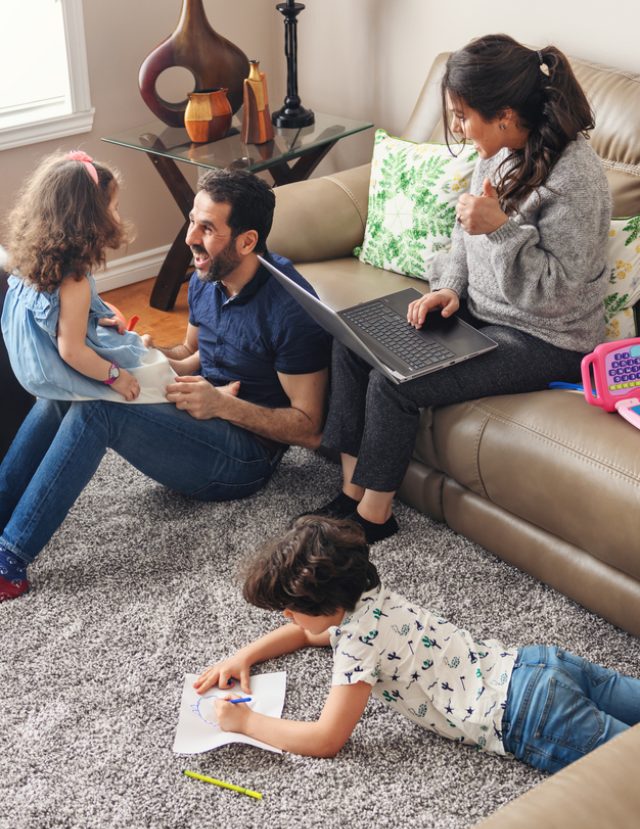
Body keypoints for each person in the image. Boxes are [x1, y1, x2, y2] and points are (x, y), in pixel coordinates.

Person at [305, 34, 611, 544]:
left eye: (463, 117)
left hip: (547, 338)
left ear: (505, 115)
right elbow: (463, 233)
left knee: (395, 383)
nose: (457, 129)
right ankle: (351, 492)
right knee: (354, 342)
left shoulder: (577, 179)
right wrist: (449, 287)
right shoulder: (497, 151)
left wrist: (502, 229)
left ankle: (373, 519)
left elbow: (558, 293)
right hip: (482, 311)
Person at [0, 168, 331, 602]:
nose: (190, 237)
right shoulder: (206, 277)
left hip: (246, 458)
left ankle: (10, 560)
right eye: (192, 220)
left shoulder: (292, 311)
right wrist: (139, 349)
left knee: (98, 409)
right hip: (200, 411)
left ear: (247, 241)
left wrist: (222, 406)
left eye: (207, 228)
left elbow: (310, 428)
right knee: (67, 391)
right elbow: (193, 354)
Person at [194, 516, 640, 772]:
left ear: (325, 603)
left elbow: (326, 738)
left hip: (528, 716)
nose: (287, 619)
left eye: (290, 610)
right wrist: (245, 654)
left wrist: (246, 722)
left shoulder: (356, 648)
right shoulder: (369, 597)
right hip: (537, 664)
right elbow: (312, 631)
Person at [2, 150, 175, 405]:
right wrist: (115, 377)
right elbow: (72, 352)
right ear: (89, 219)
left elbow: (49, 317)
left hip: (30, 366)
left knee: (123, 339)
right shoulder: (74, 283)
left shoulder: (28, 263)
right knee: (147, 371)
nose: (118, 216)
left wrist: (86, 317)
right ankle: (175, 379)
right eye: (114, 208)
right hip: (57, 371)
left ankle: (170, 362)